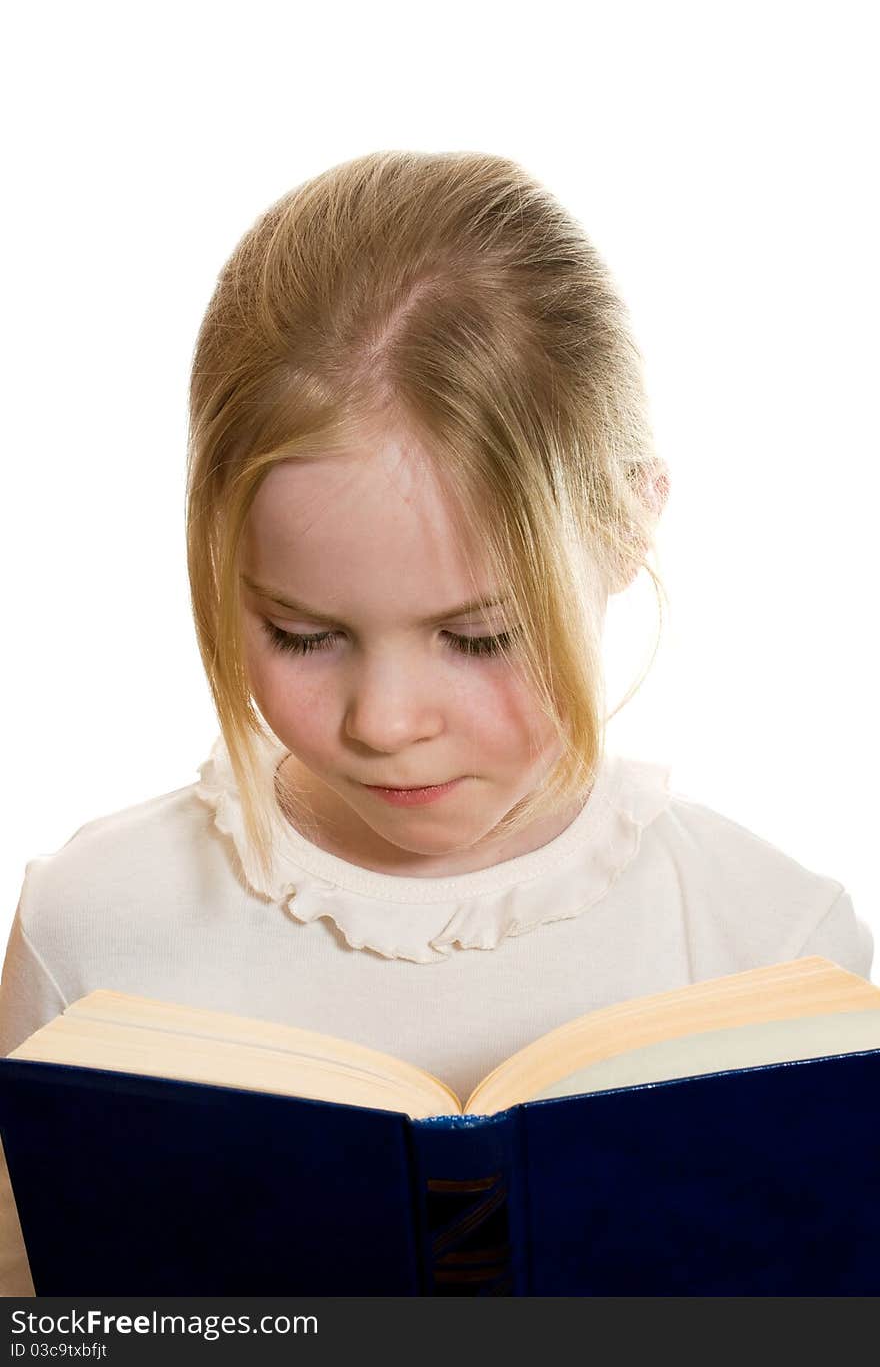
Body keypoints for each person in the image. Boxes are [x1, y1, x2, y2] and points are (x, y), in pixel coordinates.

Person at [0, 151, 871, 1296]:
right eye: (303, 634)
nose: (385, 721)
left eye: (481, 636)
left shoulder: (776, 945)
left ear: (623, 527)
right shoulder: (93, 929)